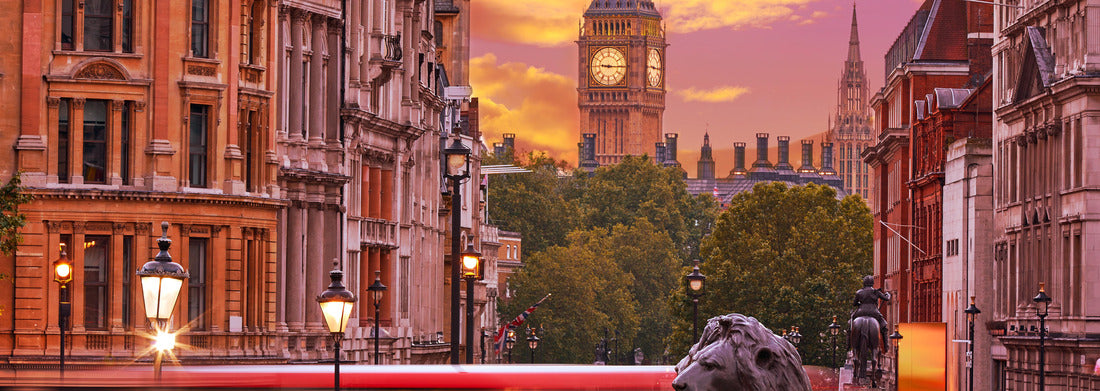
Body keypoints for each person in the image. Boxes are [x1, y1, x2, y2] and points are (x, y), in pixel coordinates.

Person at [851, 275, 891, 352]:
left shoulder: (859, 292)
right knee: (884, 326)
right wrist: (888, 294)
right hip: (873, 312)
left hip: (860, 312)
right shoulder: (876, 292)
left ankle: (849, 343)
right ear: (872, 283)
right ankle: (886, 346)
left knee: (851, 324)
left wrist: (860, 304)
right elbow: (887, 299)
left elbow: (854, 304)